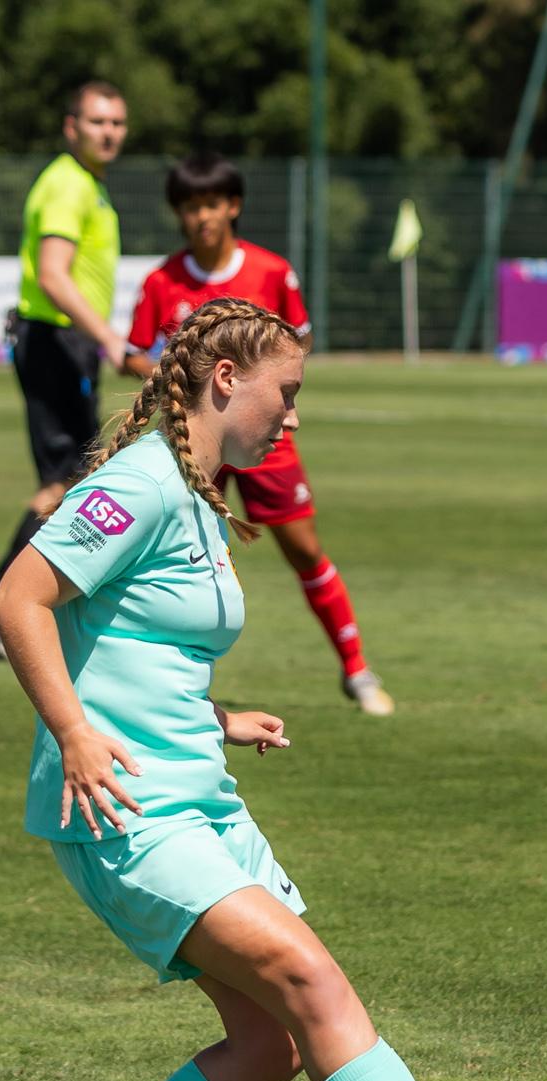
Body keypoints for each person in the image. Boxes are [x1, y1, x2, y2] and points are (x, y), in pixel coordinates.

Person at [0, 299, 512, 1081]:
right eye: (288, 391)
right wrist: (71, 736)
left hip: (197, 795)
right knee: (312, 985)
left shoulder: (195, 493)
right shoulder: (142, 482)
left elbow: (140, 644)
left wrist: (218, 717)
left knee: (269, 1041)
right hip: (125, 809)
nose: (294, 415)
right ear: (225, 378)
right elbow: (21, 598)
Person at [125, 152, 394, 716]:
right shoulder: (160, 281)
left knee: (304, 550)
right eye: (191, 206)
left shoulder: (271, 272)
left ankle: (357, 670)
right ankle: (175, 684)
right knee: (185, 555)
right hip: (194, 443)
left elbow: (299, 345)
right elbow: (133, 354)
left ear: (233, 206)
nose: (202, 217)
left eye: (212, 204)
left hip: (265, 441)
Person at [0, 81, 131, 659]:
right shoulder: (67, 185)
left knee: (72, 480)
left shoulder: (87, 186)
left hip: (63, 343)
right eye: (97, 121)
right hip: (57, 341)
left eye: (116, 123)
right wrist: (106, 336)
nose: (108, 132)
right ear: (71, 126)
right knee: (64, 484)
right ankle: (2, 617)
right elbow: (55, 275)